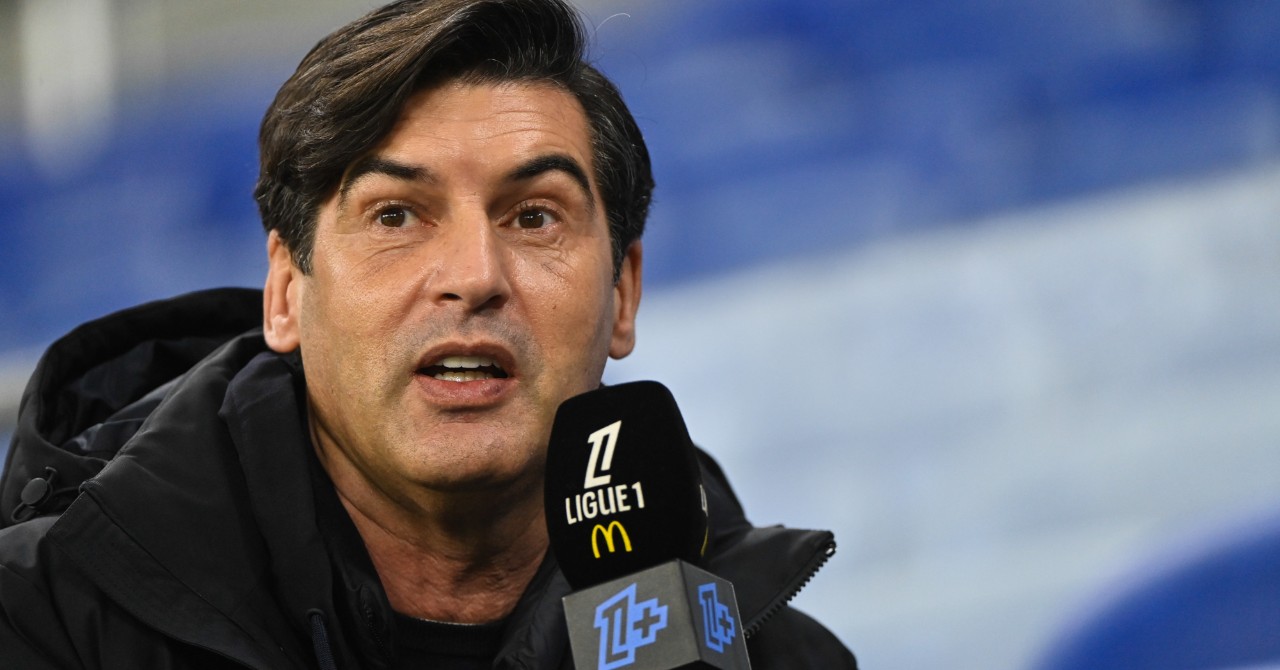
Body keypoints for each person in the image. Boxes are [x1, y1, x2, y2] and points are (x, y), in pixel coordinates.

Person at [0, 0, 858, 667]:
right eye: (397, 215)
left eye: (534, 217)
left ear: (623, 294)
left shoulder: (772, 654)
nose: (475, 275)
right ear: (286, 293)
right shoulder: (38, 622)